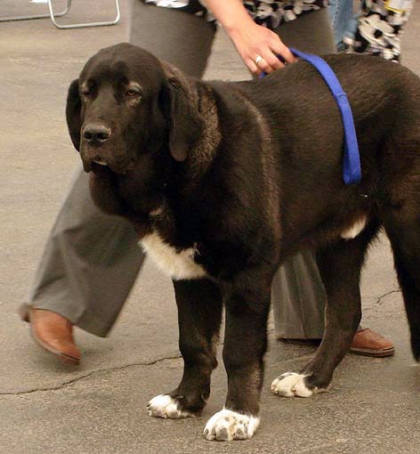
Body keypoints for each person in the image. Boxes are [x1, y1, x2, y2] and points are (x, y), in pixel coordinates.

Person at [19, 0, 400, 366]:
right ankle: (60, 298)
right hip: (180, 1)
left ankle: (317, 315)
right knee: (124, 134)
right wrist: (239, 24)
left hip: (290, 3)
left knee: (316, 136)